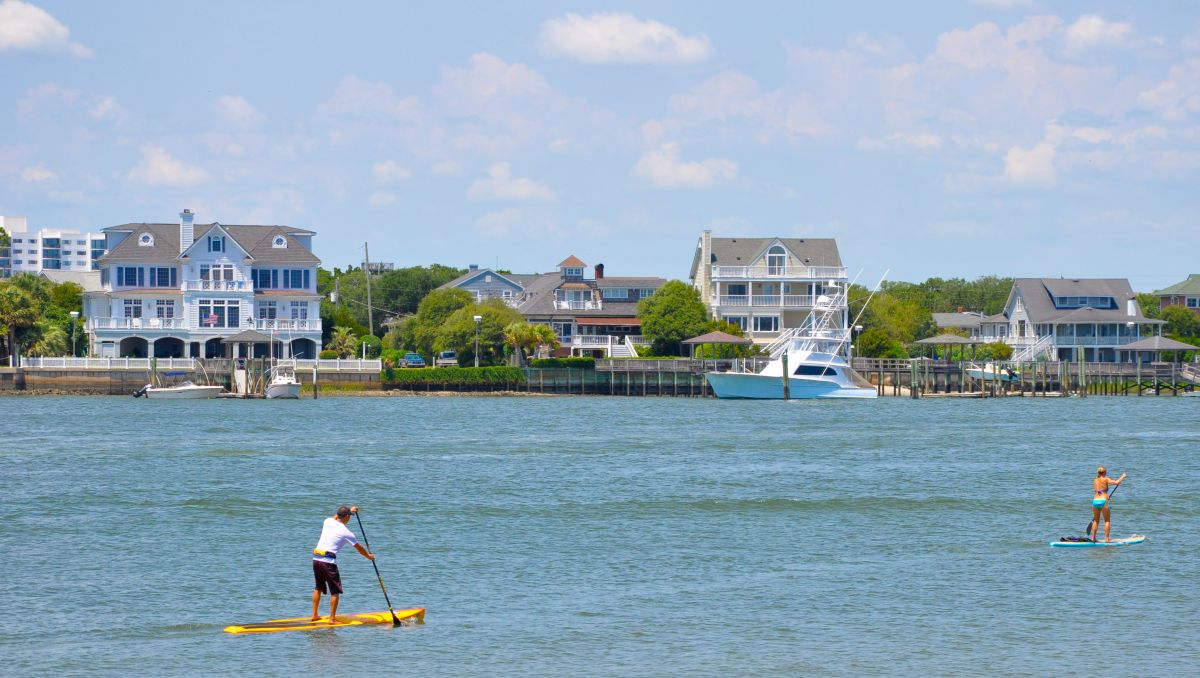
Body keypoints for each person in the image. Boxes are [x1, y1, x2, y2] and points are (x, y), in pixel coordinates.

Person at [312, 505, 375, 623]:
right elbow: (359, 548)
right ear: (346, 517)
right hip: (328, 562)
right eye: (349, 516)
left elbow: (336, 516)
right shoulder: (346, 532)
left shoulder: (328, 521)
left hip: (316, 559)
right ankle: (332, 619)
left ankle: (314, 615)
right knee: (335, 591)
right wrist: (369, 557)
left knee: (318, 587)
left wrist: (349, 511)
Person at [1090, 467, 1127, 542]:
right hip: (1103, 501)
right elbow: (1116, 482)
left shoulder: (1095, 480)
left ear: (1098, 473)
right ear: (1105, 473)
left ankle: (1093, 538)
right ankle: (1106, 539)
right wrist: (1122, 476)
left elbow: (1098, 491)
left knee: (1096, 521)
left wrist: (1105, 495)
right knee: (1107, 520)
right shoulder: (1106, 479)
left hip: (1095, 501)